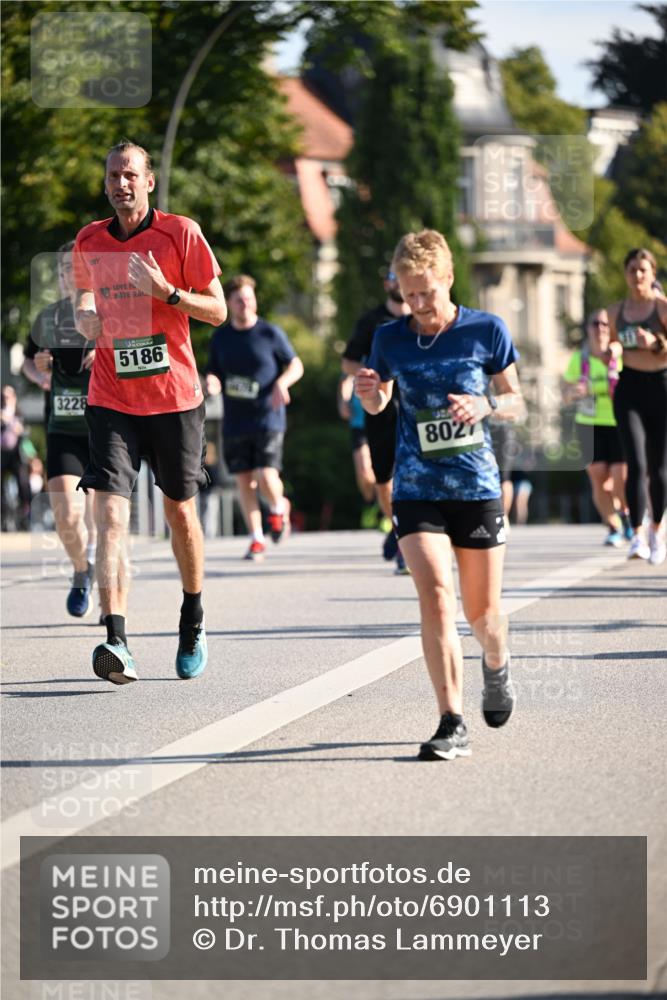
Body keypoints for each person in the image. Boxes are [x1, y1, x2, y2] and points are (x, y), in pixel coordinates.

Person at [355, 229, 525, 761]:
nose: (419, 304)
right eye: (408, 293)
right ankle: (451, 720)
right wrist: (372, 395)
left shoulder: (485, 330)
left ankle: (495, 666)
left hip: (474, 487)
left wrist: (487, 407)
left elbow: (516, 399)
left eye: (427, 291)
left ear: (448, 278)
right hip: (416, 489)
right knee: (435, 599)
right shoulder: (390, 338)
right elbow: (381, 400)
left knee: (484, 614)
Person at [73, 140, 227, 683]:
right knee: (111, 515)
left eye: (130, 174)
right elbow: (85, 297)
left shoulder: (180, 233)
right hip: (111, 395)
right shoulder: (89, 240)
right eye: (113, 175)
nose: (121, 184)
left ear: (149, 181)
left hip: (174, 398)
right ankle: (116, 639)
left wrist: (169, 293)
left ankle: (193, 616)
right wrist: (87, 317)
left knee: (179, 512)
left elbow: (218, 309)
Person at [22, 241, 99, 617]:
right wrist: (39, 372)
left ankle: (110, 602)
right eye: (65, 269)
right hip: (63, 428)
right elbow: (26, 362)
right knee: (68, 514)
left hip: (105, 428)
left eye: (77, 268)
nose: (70, 274)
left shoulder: (109, 315)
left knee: (99, 517)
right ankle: (82, 572)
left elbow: (134, 353)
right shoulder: (48, 318)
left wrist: (107, 351)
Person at [205, 275, 303, 561]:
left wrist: (282, 384)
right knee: (243, 481)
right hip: (235, 420)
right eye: (239, 300)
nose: (245, 304)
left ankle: (276, 508)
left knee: (265, 474)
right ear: (230, 304)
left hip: (268, 417)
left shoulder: (270, 333)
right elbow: (214, 372)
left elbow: (296, 365)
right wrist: (212, 383)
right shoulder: (221, 338)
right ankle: (256, 538)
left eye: (249, 298)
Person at [342, 268, 411, 572]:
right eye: (394, 277)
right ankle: (396, 527)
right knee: (383, 480)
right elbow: (348, 361)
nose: (399, 283)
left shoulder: (424, 317)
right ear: (386, 283)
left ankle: (406, 538)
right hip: (380, 409)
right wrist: (374, 371)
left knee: (412, 475)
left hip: (416, 408)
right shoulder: (372, 322)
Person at [607, 248, 667, 565]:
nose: (637, 275)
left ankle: (657, 531)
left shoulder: (662, 307)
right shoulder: (616, 311)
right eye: (632, 269)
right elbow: (609, 344)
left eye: (643, 269)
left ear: (653, 273)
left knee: (658, 467)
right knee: (636, 464)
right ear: (626, 274)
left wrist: (656, 342)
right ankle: (636, 535)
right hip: (629, 387)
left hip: (661, 386)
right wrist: (611, 350)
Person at [562, 308, 631, 547]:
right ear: (588, 328)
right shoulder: (579, 359)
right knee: (598, 477)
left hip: (618, 422)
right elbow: (565, 394)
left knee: (619, 478)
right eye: (595, 324)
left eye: (604, 324)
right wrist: (575, 392)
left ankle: (626, 513)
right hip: (589, 423)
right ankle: (612, 525)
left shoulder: (621, 355)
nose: (600, 328)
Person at [337, 374, 376, 506]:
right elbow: (347, 379)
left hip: (382, 423)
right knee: (364, 471)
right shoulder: (359, 355)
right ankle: (370, 504)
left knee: (385, 470)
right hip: (359, 424)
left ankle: (384, 509)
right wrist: (343, 401)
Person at [0, 385, 31, 530]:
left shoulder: (19, 413)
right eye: (4, 396)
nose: (7, 399)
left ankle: (24, 512)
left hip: (16, 455)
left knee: (22, 482)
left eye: (9, 396)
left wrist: (17, 427)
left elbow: (25, 433)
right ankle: (3, 516)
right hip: (2, 454)